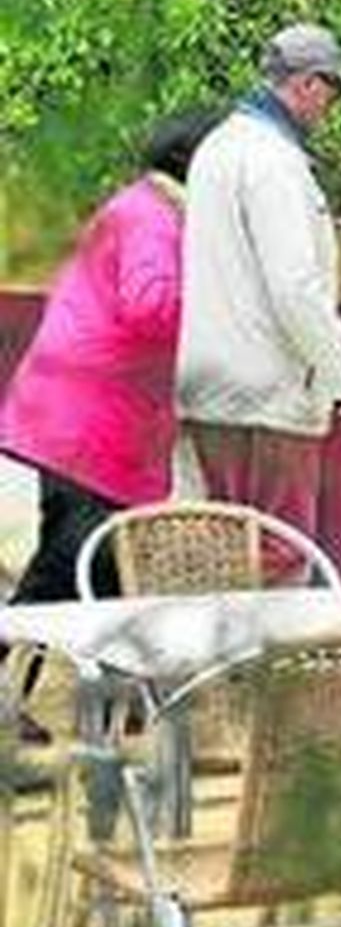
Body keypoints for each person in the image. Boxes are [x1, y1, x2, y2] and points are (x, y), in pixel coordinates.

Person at [0, 108, 221, 603]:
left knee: (97, 580)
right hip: (87, 422)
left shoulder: (150, 210)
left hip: (94, 422)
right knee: (71, 575)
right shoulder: (151, 217)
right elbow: (151, 306)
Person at [177, 22, 341, 542]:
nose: (329, 107)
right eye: (331, 91)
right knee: (280, 549)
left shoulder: (216, 149)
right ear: (308, 83)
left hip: (209, 387)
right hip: (268, 393)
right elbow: (295, 288)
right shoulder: (275, 164)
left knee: (224, 549)